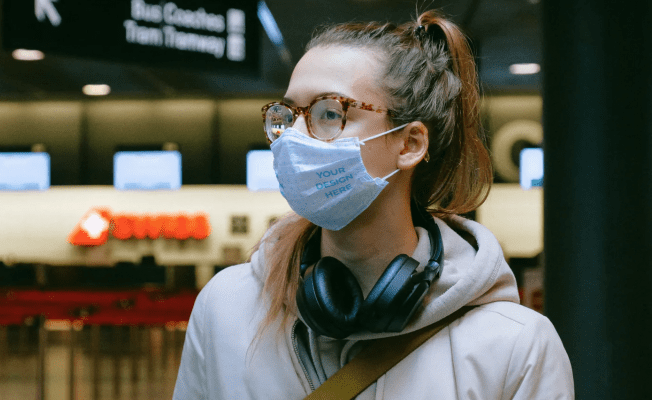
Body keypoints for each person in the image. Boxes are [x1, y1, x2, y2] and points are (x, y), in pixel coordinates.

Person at [174, 10, 573, 399]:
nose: (293, 137)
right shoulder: (225, 308)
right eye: (288, 114)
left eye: (329, 113)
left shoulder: (515, 347)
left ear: (410, 144)